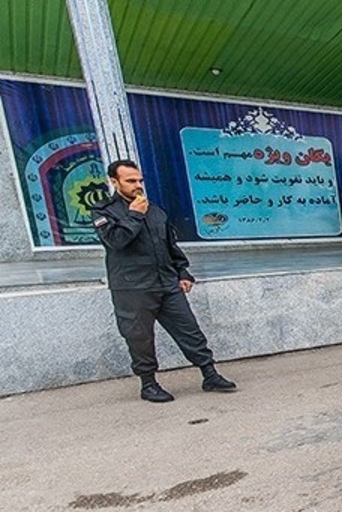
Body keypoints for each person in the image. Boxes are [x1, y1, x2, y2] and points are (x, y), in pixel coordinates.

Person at [90, 159, 236, 403]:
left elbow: (170, 246)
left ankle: (209, 374)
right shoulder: (103, 211)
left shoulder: (156, 211)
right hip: (132, 287)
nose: (137, 185)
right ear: (114, 182)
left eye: (140, 180)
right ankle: (148, 384)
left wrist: (183, 272)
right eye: (130, 181)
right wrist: (135, 215)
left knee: (189, 330)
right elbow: (116, 241)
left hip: (166, 283)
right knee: (139, 337)